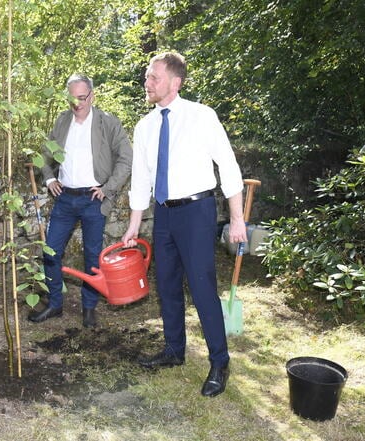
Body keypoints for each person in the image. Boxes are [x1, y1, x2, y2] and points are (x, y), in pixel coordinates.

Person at [121, 52, 247, 397]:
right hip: (163, 214)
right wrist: (135, 224)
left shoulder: (201, 116)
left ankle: (220, 361)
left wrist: (237, 218)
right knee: (168, 284)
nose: (147, 83)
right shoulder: (144, 126)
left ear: (175, 82)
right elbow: (141, 179)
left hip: (197, 211)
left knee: (203, 286)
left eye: (154, 77)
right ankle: (174, 350)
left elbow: (229, 165)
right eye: (147, 77)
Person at [28, 74, 132, 328]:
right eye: (72, 98)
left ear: (92, 96)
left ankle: (89, 308)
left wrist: (108, 188)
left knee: (92, 255)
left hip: (93, 200)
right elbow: (45, 155)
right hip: (65, 199)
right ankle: (54, 304)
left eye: (82, 98)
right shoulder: (63, 121)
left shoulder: (107, 123)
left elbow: (127, 158)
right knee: (51, 251)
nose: (77, 103)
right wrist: (50, 178)